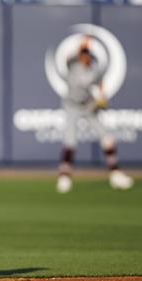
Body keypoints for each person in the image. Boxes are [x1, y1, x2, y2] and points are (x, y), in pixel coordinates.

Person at [56, 36, 133, 193]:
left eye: (86, 54)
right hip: (71, 105)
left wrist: (102, 96)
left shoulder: (94, 69)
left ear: (89, 56)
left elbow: (100, 83)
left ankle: (115, 174)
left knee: (107, 138)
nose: (84, 57)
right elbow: (66, 57)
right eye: (82, 54)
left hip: (88, 106)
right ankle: (64, 177)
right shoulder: (73, 65)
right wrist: (83, 43)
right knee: (70, 141)